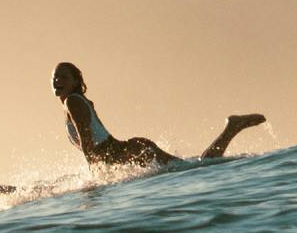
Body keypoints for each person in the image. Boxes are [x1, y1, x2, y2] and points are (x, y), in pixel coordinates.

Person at [53, 61, 265, 169]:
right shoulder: (71, 103)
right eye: (54, 77)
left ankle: (232, 127)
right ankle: (232, 128)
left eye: (63, 76)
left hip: (131, 152)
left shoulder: (73, 101)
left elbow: (86, 138)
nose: (57, 80)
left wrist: (94, 178)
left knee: (195, 169)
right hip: (129, 150)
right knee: (193, 167)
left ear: (75, 81)